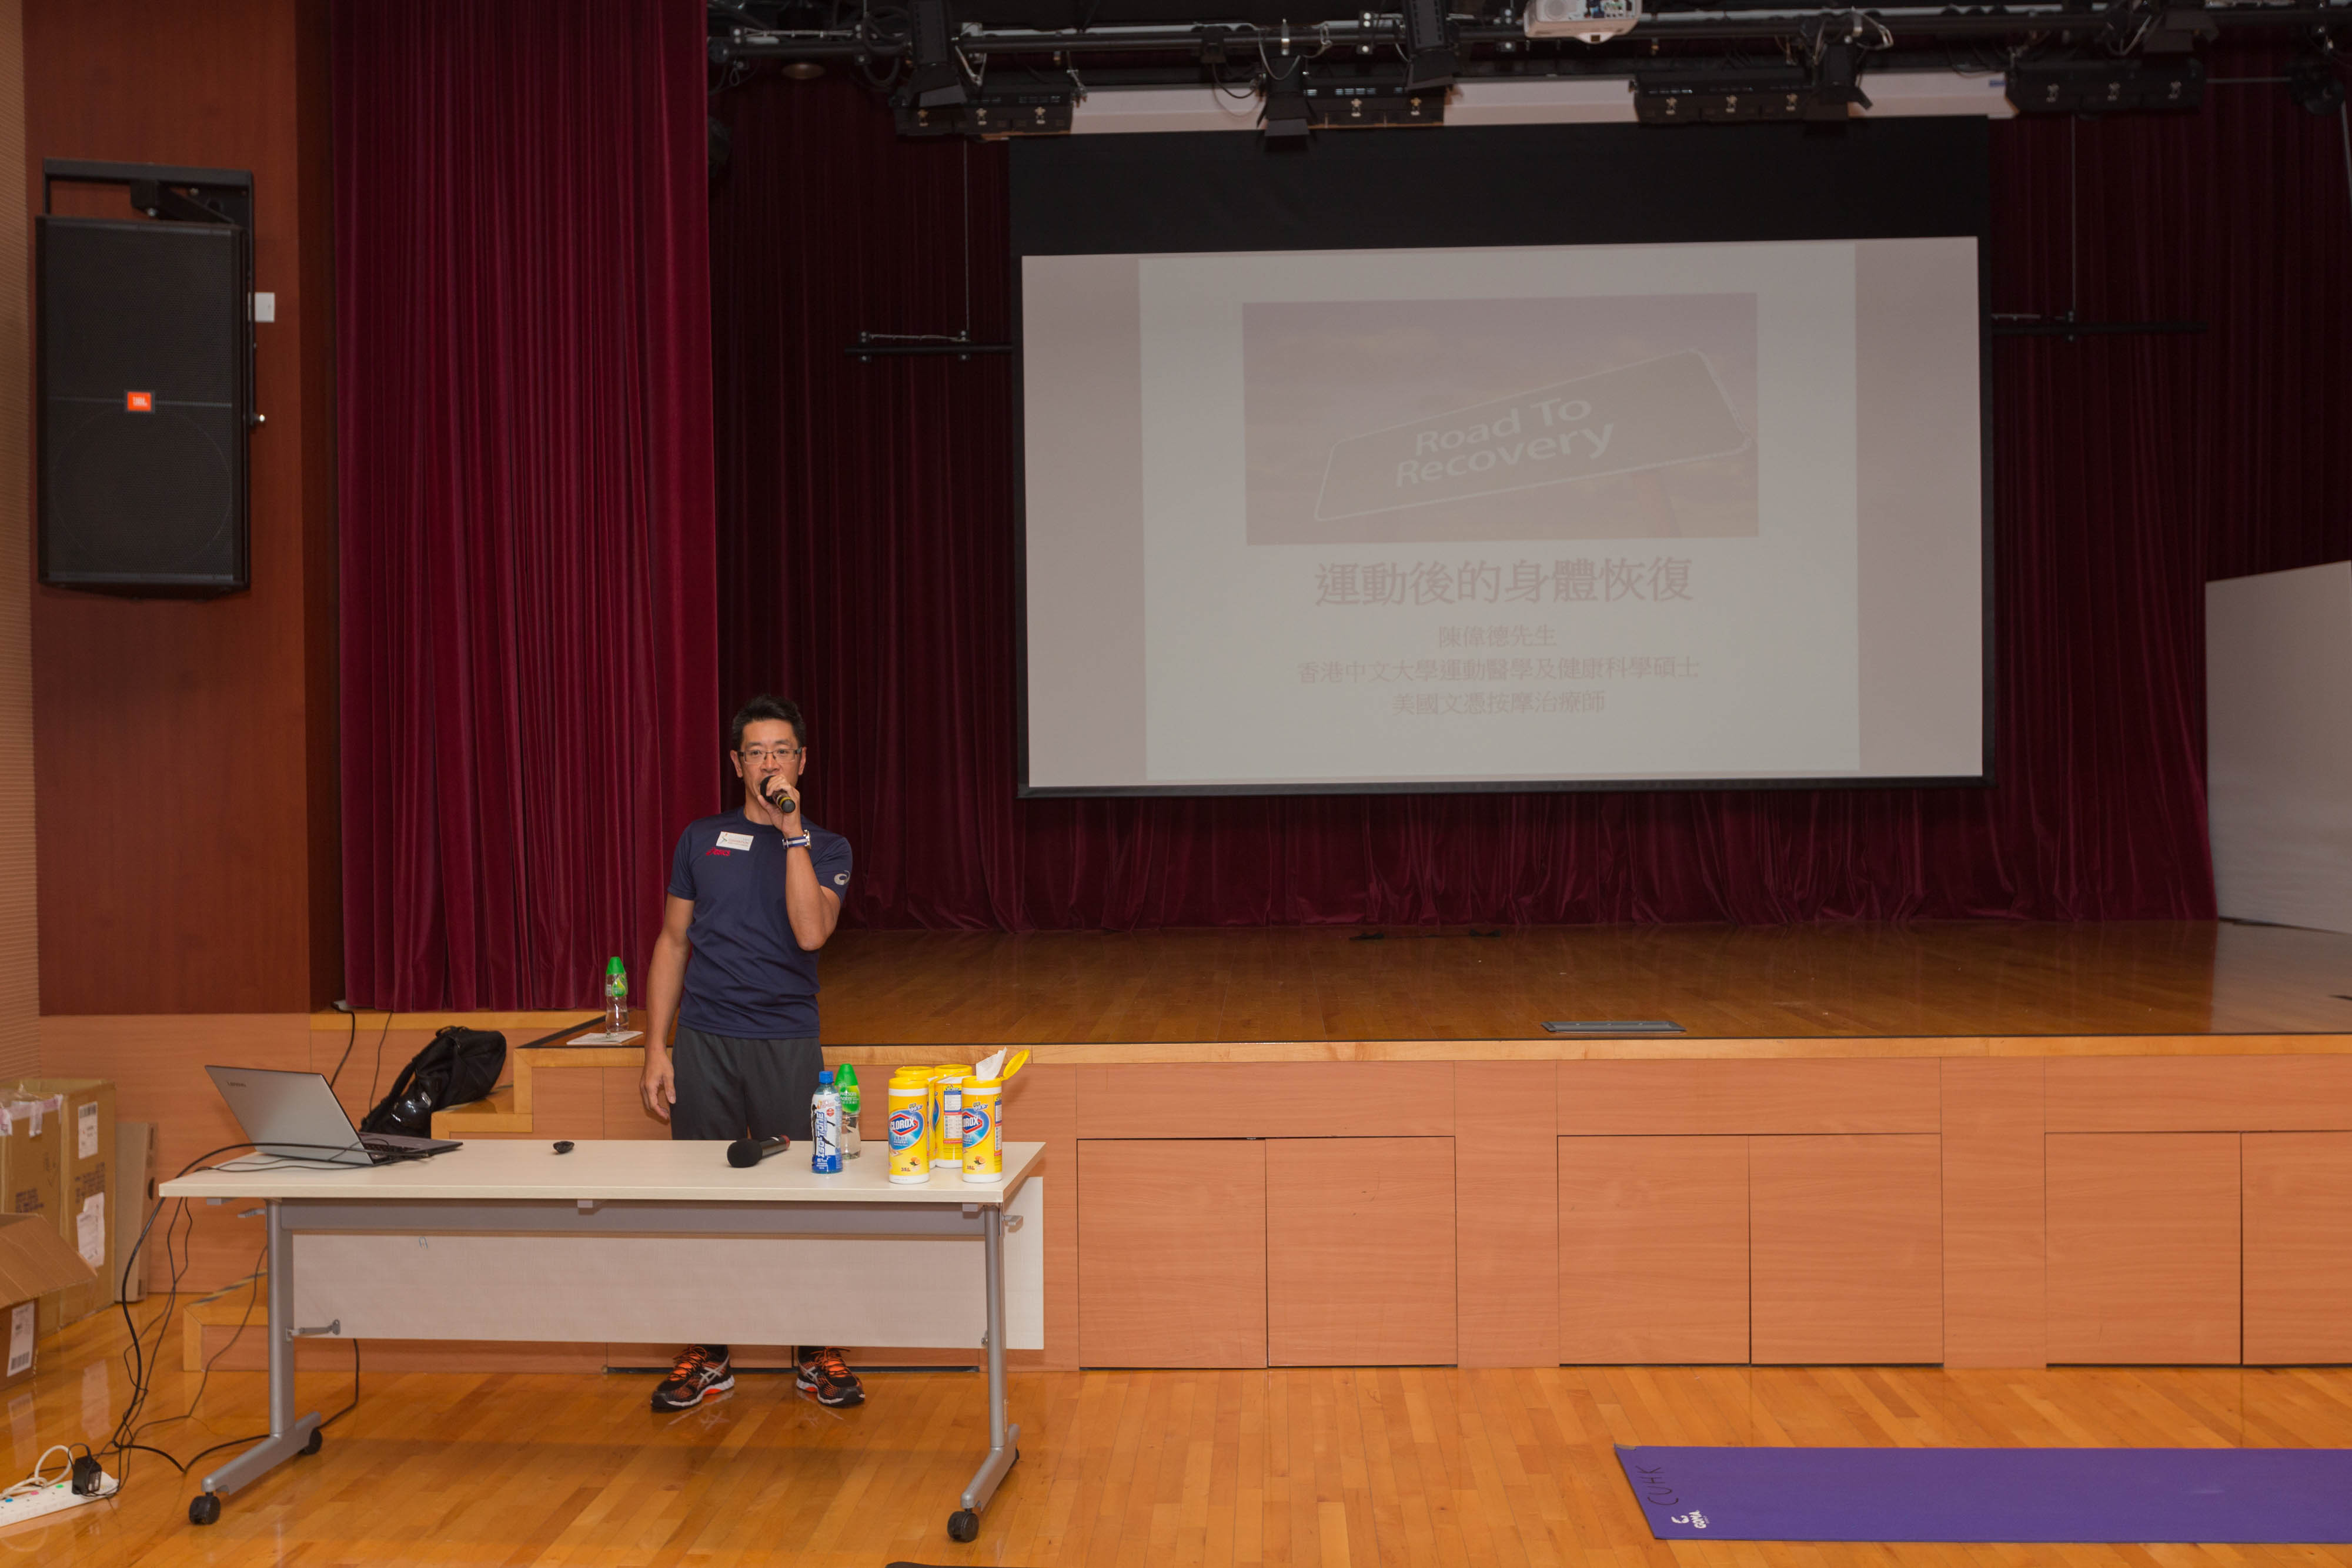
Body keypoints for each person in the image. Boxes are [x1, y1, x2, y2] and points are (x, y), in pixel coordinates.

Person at [639, 694, 864, 1412]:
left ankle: (813, 1350)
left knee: (806, 1198)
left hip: (786, 1043)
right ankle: (709, 1353)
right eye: (757, 752)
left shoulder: (828, 847)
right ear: (736, 763)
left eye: (782, 751)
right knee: (699, 1202)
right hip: (705, 1042)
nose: (770, 763)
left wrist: (792, 835)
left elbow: (811, 933)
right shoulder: (700, 838)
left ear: (802, 761)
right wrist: (656, 1049)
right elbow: (672, 942)